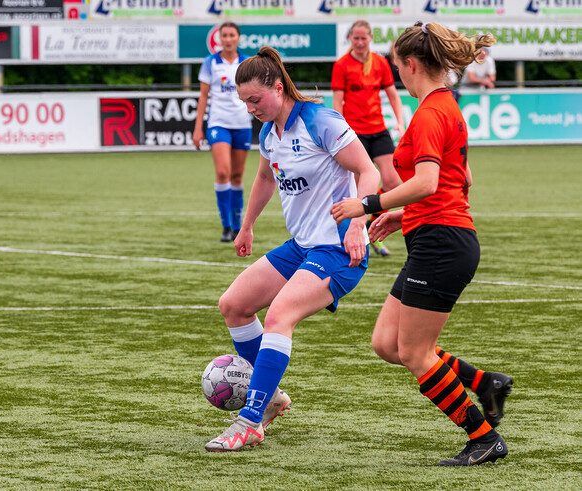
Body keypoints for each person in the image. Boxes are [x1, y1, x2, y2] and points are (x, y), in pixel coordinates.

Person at [332, 22, 511, 466]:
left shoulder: (431, 112)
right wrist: (401, 214)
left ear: (412, 64)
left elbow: (429, 181)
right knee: (387, 344)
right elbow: (461, 179)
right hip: (436, 236)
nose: (398, 78)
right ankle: (484, 382)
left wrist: (369, 204)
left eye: (398, 69)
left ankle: (483, 436)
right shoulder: (444, 106)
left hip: (442, 244)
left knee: (413, 352)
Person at [205, 46, 380, 452]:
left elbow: (367, 170)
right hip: (302, 246)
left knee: (281, 314)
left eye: (256, 99)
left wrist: (358, 223)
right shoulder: (269, 133)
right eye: (244, 102)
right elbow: (266, 179)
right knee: (233, 305)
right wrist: (247, 226)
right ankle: (272, 398)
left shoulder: (320, 121)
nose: (251, 109)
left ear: (278, 87)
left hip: (338, 249)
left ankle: (250, 418)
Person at [331, 20, 405, 257]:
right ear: (350, 39)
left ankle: (374, 227)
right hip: (353, 134)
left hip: (378, 130)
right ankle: (358, 236)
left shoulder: (380, 62)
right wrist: (338, 130)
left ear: (370, 38)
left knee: (393, 182)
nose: (360, 43)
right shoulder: (342, 65)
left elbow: (393, 95)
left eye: (364, 38)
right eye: (356, 38)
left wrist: (400, 121)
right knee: (360, 188)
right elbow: (337, 101)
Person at [193, 22, 252, 243]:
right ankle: (226, 225)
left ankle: (238, 227)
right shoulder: (210, 63)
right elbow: (203, 97)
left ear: (238, 38)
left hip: (242, 125)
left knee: (237, 176)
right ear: (219, 39)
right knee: (223, 173)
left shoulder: (247, 63)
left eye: (232, 35)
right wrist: (198, 128)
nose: (228, 39)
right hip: (218, 124)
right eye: (224, 35)